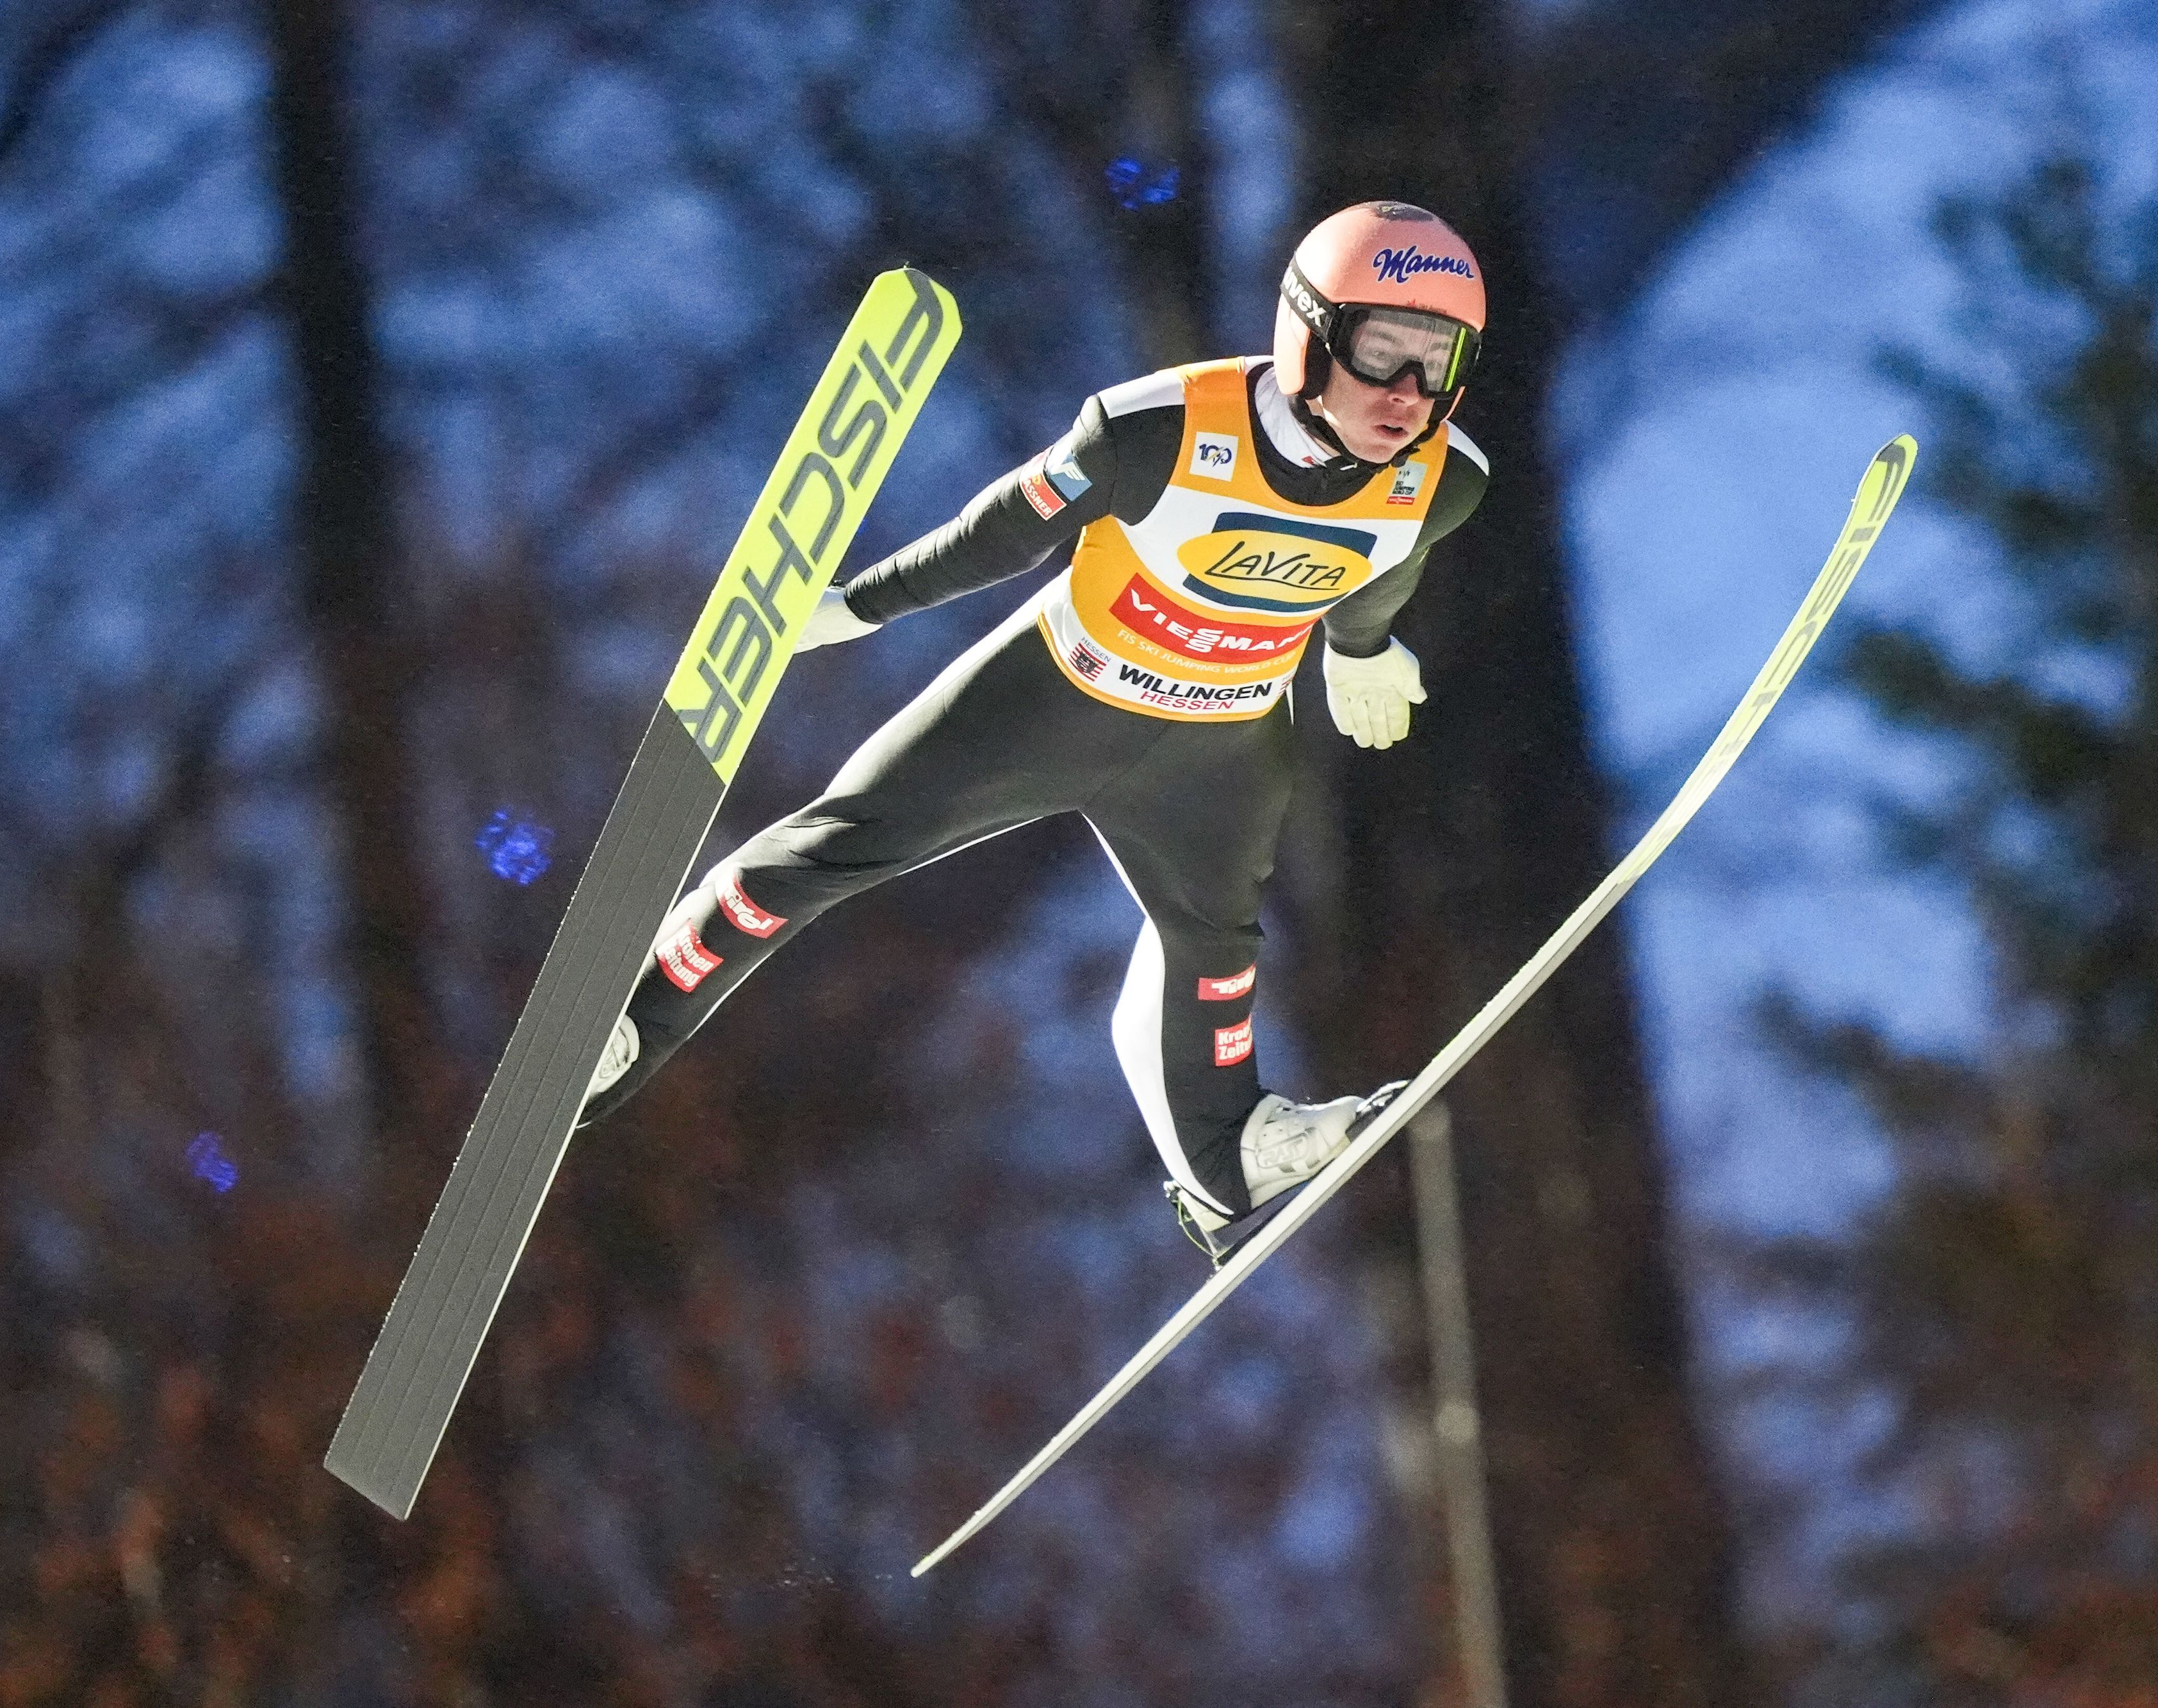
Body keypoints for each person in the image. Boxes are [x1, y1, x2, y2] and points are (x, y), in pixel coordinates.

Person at [579, 200, 1490, 1259]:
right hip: (1052, 701)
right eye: (1383, 353)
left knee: (1215, 949)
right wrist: (859, 608)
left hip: (1219, 744)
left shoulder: (1447, 478)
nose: (1407, 394)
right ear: (1311, 335)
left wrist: (1360, 648)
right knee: (839, 845)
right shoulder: (1156, 428)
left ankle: (1223, 1160)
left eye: (1437, 361)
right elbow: (1002, 533)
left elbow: (1386, 557)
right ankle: (632, 1019)